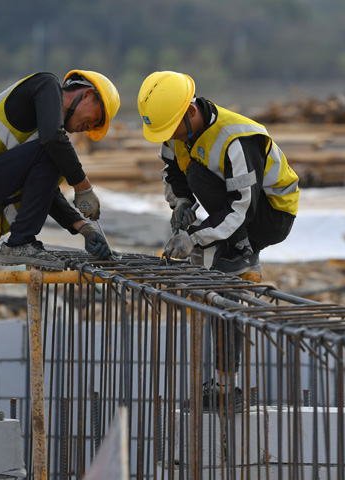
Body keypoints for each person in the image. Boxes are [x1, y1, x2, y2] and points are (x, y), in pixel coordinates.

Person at [0, 70, 120, 424]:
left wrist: (83, 227)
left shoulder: (46, 137)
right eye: (90, 120)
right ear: (87, 95)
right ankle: (21, 243)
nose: (83, 129)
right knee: (55, 148)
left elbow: (44, 186)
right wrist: (83, 185)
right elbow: (52, 142)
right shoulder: (44, 85)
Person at [136, 70, 300, 410]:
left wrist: (194, 238)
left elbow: (243, 206)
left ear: (190, 112)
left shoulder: (235, 138)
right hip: (236, 212)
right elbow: (172, 172)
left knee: (198, 174)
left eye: (173, 130)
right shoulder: (177, 132)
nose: (171, 138)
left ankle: (241, 250)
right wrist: (181, 205)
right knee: (219, 295)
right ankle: (226, 384)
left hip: (268, 215)